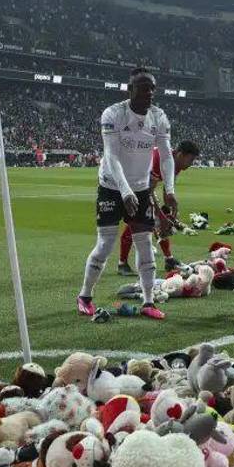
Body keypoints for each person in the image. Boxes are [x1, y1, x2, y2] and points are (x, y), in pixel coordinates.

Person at [76, 67, 179, 320]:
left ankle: (148, 301)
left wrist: (170, 189)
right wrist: (124, 191)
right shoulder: (113, 114)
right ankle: (85, 295)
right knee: (105, 244)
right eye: (144, 87)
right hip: (112, 187)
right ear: (130, 89)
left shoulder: (159, 116)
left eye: (153, 87)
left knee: (145, 245)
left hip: (141, 188)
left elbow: (166, 155)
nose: (150, 92)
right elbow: (111, 155)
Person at [118, 140, 201, 276]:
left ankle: (169, 259)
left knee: (160, 219)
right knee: (137, 221)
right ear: (180, 154)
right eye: (191, 160)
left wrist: (170, 210)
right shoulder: (159, 159)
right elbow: (148, 191)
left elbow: (168, 189)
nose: (191, 164)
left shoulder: (176, 164)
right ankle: (122, 263)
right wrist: (161, 216)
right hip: (128, 182)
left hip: (143, 184)